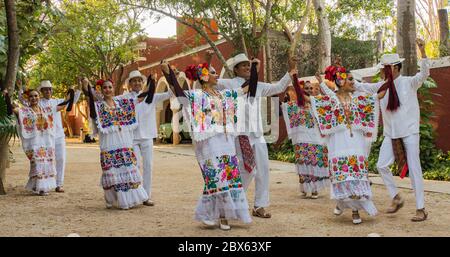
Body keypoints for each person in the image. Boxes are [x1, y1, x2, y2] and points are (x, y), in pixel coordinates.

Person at [161, 60, 252, 230]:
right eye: (212, 72)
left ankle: (220, 215)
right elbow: (179, 93)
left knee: (228, 177)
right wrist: (168, 74)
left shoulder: (224, 95)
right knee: (216, 178)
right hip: (209, 142)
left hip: (226, 142)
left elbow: (246, 88)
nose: (216, 75)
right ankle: (219, 216)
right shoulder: (197, 96)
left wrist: (254, 68)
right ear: (203, 76)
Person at [353, 39, 430, 222]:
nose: (381, 71)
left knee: (415, 169)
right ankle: (396, 197)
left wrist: (423, 52)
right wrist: (342, 78)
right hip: (391, 134)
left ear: (394, 68)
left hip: (410, 132)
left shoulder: (410, 82)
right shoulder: (381, 86)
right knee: (381, 165)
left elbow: (424, 74)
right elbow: (361, 87)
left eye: (383, 68)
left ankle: (421, 209)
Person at [214, 52, 297, 218]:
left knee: (263, 170)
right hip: (240, 134)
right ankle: (234, 202)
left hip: (257, 134)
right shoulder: (229, 83)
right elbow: (210, 82)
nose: (246, 67)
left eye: (248, 64)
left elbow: (278, 88)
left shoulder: (258, 85)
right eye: (243, 65)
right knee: (246, 170)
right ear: (236, 69)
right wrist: (208, 64)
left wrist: (290, 71)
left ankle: (259, 206)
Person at [309, 67, 386, 224]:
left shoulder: (358, 99)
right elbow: (317, 101)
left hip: (355, 141)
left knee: (355, 174)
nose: (353, 82)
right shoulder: (332, 99)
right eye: (350, 79)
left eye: (353, 79)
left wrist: (389, 77)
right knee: (344, 176)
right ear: (340, 81)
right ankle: (346, 205)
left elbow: (379, 95)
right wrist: (319, 82)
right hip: (338, 141)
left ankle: (352, 208)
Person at [81, 78, 149, 210]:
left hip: (123, 141)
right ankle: (113, 199)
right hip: (109, 142)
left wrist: (151, 83)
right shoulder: (99, 106)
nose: (108, 90)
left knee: (126, 168)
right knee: (111, 170)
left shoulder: (122, 103)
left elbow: (139, 98)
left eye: (110, 87)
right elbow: (90, 101)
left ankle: (129, 199)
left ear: (113, 89)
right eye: (105, 88)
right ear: (101, 90)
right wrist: (87, 87)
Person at [4, 88, 74, 196]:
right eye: (31, 96)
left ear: (39, 97)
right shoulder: (25, 111)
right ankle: (39, 187)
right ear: (28, 98)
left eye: (36, 96)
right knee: (37, 163)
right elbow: (13, 109)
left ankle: (40, 187)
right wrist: (6, 96)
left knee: (46, 163)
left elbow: (63, 105)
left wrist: (72, 93)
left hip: (46, 142)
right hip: (34, 142)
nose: (34, 98)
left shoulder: (46, 110)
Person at [123, 70, 172, 206]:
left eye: (139, 80)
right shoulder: (126, 98)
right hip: (132, 137)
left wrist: (169, 76)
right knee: (136, 165)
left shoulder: (152, 97)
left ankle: (146, 196)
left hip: (147, 137)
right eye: (134, 81)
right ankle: (135, 194)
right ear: (130, 84)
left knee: (148, 166)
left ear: (143, 83)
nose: (137, 83)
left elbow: (170, 94)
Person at [281, 80, 329, 199]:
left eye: (310, 88)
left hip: (316, 138)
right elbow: (285, 109)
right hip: (301, 139)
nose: (308, 90)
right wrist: (283, 102)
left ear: (314, 90)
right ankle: (305, 188)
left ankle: (315, 189)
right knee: (304, 163)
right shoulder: (296, 104)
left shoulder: (318, 103)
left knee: (314, 163)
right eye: (306, 88)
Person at [37, 80, 81, 193]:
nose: (48, 91)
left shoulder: (57, 101)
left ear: (52, 90)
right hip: (45, 137)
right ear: (41, 91)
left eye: (49, 89)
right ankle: (44, 185)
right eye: (45, 89)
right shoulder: (38, 103)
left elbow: (73, 100)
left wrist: (78, 87)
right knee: (46, 161)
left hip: (59, 135)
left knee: (61, 159)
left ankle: (59, 184)